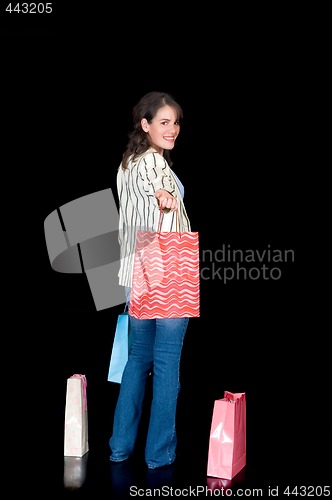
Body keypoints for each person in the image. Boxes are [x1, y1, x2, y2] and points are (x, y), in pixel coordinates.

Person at [109, 91, 192, 470]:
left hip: (136, 270)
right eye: (163, 122)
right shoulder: (153, 164)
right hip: (169, 268)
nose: (172, 129)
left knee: (136, 361)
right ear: (145, 124)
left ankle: (120, 447)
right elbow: (155, 189)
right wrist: (164, 196)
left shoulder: (126, 163)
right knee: (166, 365)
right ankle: (159, 454)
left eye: (174, 122)